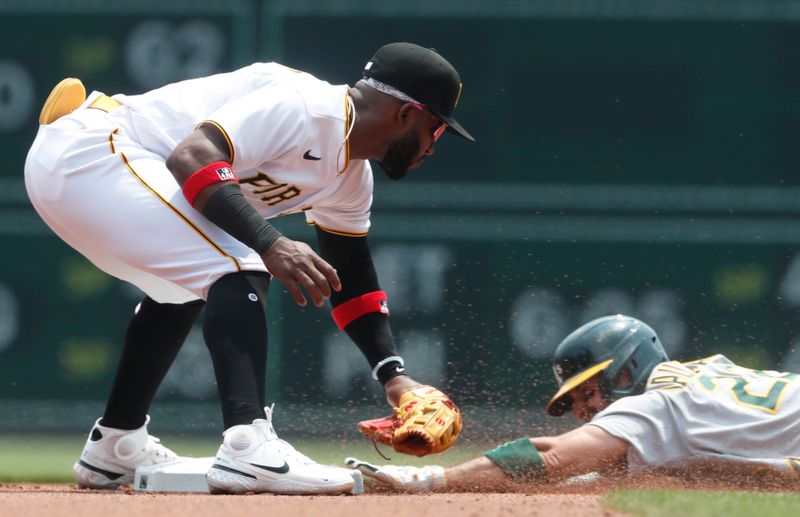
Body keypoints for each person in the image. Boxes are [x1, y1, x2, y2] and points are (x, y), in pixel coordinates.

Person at [24, 42, 472, 494]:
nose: (433, 147)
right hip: (90, 152)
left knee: (186, 284)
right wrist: (272, 243)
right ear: (406, 113)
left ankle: (115, 445)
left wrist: (394, 378)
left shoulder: (351, 179)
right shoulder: (306, 108)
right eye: (436, 129)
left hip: (89, 176)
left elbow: (352, 281)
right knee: (239, 263)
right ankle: (248, 445)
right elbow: (192, 157)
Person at [347, 314, 800, 492]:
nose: (583, 410)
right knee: (670, 473)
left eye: (587, 392)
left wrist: (428, 479)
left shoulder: (651, 405)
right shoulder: (703, 375)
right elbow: (616, 469)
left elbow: (550, 457)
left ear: (626, 371)